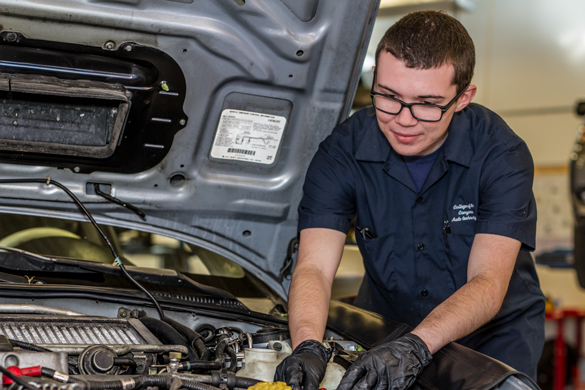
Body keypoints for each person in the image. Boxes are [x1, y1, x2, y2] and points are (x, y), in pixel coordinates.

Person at [274, 10, 546, 390]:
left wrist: (418, 346)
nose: (403, 119)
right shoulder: (343, 152)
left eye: (427, 103)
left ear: (463, 98)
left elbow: (487, 282)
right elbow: (314, 268)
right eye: (388, 96)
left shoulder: (501, 154)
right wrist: (306, 344)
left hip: (491, 340)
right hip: (385, 327)